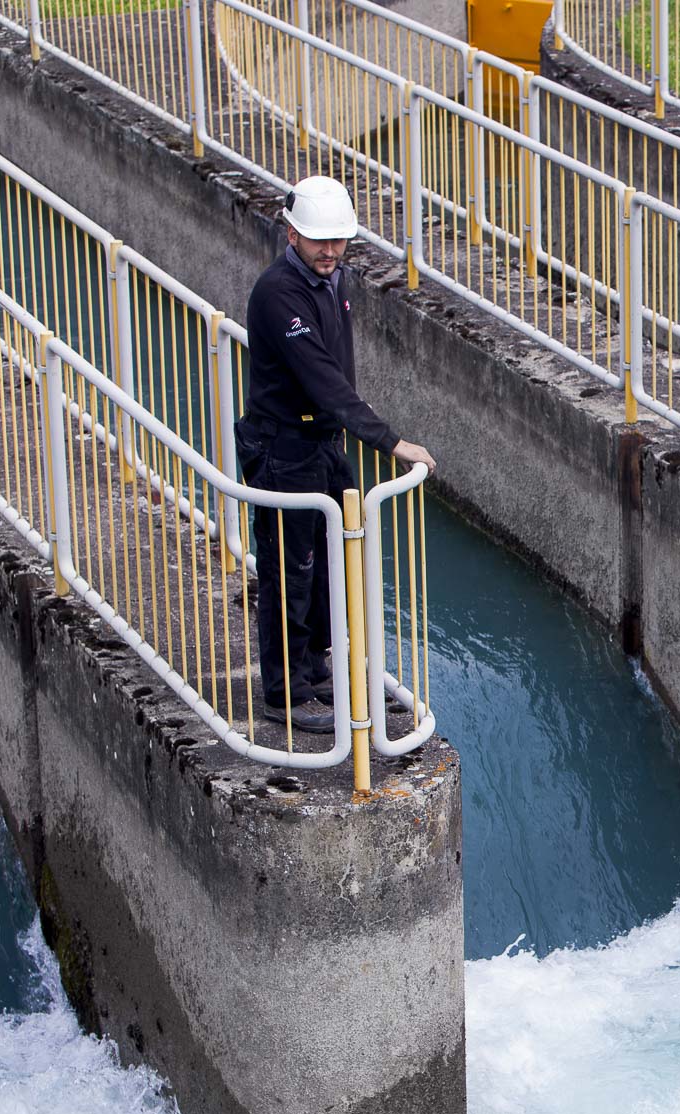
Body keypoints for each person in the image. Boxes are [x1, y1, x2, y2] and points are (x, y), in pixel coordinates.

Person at [238, 175, 437, 736]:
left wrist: (352, 427)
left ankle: (314, 667)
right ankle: (284, 692)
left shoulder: (334, 279)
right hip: (283, 448)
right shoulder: (279, 294)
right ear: (291, 232)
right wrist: (391, 442)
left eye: (338, 240)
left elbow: (338, 369)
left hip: (322, 443)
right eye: (318, 240)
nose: (329, 250)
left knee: (330, 562)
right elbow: (324, 379)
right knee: (289, 569)